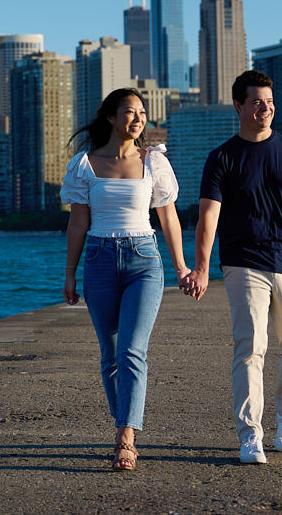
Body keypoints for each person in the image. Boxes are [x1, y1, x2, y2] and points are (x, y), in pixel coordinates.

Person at [189, 69, 282, 465]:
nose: (265, 108)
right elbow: (208, 218)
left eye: (270, 102)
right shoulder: (222, 157)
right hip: (243, 263)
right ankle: (250, 435)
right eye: (257, 102)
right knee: (251, 347)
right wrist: (202, 268)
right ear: (239, 106)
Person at [62, 88, 193, 472]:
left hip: (144, 261)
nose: (138, 119)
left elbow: (168, 217)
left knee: (132, 351)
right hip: (99, 260)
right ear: (111, 117)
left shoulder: (154, 161)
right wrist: (69, 274)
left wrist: (182, 267)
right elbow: (78, 222)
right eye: (130, 112)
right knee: (110, 355)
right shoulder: (85, 164)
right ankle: (126, 425)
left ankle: (125, 438)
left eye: (142, 113)